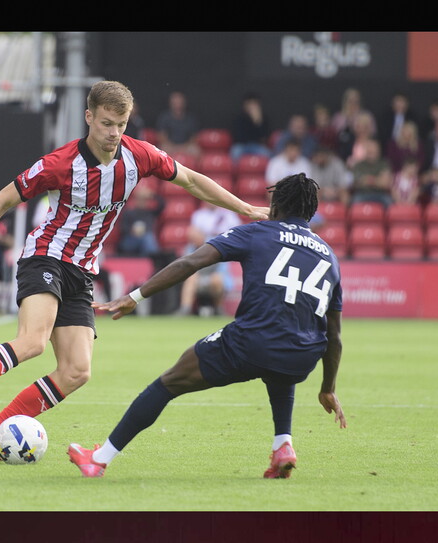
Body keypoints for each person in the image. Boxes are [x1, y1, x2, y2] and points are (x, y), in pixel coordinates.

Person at [0, 80, 269, 460]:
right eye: (106, 123)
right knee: (33, 341)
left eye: (121, 124)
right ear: (89, 117)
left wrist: (246, 208)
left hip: (82, 271)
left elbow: (190, 179)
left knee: (76, 371)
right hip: (46, 257)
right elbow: (3, 200)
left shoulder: (139, 155)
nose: (114, 133)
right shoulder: (60, 163)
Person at [68, 173, 347, 478]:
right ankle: (283, 445)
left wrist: (135, 296)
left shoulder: (257, 232)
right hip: (303, 356)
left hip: (252, 343)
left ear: (275, 206)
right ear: (310, 212)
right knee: (280, 361)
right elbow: (334, 335)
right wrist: (328, 388)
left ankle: (99, 459)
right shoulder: (329, 256)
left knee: (169, 381)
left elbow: (191, 262)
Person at [175, 200, 242, 316]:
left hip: (217, 271)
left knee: (217, 278)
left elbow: (238, 235)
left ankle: (219, 309)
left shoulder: (228, 217)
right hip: (198, 275)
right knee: (191, 278)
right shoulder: (190, 247)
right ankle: (185, 309)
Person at [116, 182, 164, 257]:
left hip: (146, 239)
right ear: (135, 200)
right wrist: (132, 231)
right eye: (139, 199)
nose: (142, 202)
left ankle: (153, 258)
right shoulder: (129, 212)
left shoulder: (150, 212)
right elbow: (122, 227)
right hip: (131, 239)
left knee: (147, 238)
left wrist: (152, 195)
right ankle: (153, 257)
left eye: (144, 200)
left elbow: (162, 205)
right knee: (146, 238)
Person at [349, 139, 394, 208]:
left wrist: (368, 180)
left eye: (373, 148)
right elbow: (356, 183)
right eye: (369, 148)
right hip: (362, 193)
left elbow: (385, 183)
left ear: (378, 150)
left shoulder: (384, 164)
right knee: (354, 202)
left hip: (381, 194)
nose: (371, 150)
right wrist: (377, 180)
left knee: (390, 203)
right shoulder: (358, 165)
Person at [229, 92, 272, 162]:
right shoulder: (239, 118)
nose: (252, 107)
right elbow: (237, 136)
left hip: (256, 145)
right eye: (249, 104)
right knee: (235, 152)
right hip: (242, 145)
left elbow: (264, 138)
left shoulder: (263, 119)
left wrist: (258, 123)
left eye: (254, 104)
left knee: (267, 154)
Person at [156, 90, 201, 158]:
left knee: (196, 150)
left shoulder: (190, 118)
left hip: (186, 146)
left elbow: (194, 137)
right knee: (161, 150)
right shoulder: (164, 117)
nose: (177, 105)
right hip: (170, 146)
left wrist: (183, 147)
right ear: (171, 103)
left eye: (179, 102)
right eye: (175, 102)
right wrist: (173, 147)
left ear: (184, 103)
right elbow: (161, 137)